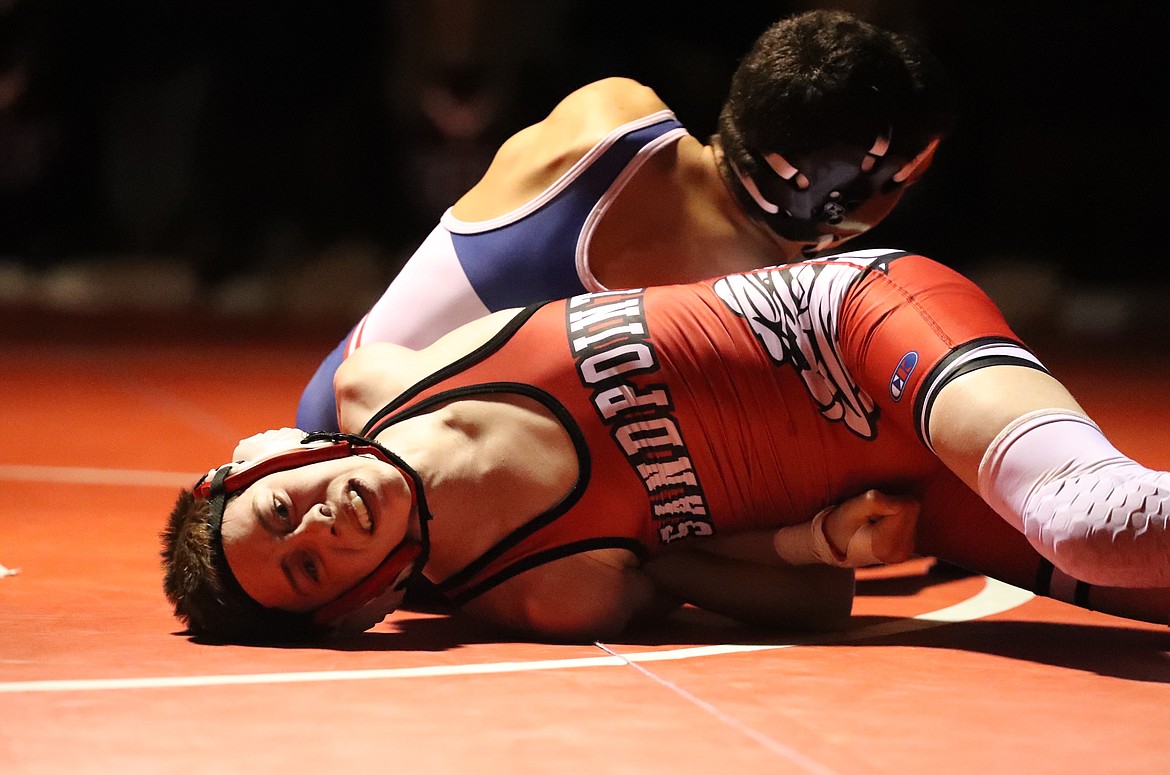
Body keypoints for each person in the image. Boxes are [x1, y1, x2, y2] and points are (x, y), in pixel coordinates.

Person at [162, 248, 1170, 644]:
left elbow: (497, 227)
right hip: (895, 474)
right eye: (306, 566)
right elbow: (813, 599)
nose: (325, 522)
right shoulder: (544, 589)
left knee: (1089, 522)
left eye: (284, 506)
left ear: (280, 453)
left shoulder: (378, 375)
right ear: (353, 604)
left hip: (852, 321)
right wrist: (817, 544)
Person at [294, 9, 954, 433]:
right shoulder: (770, 318)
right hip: (440, 521)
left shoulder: (610, 116)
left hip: (321, 419)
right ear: (855, 199)